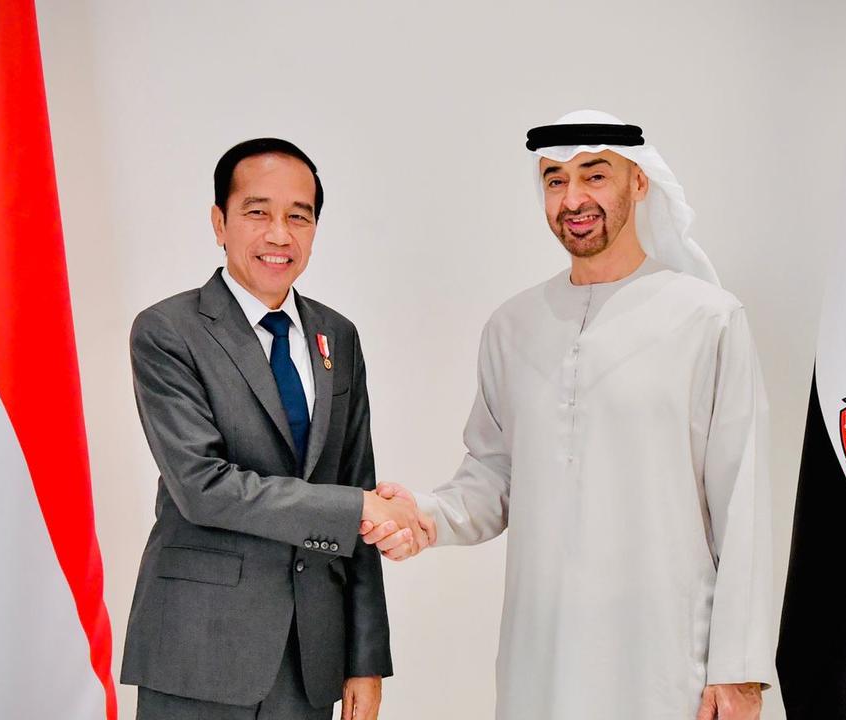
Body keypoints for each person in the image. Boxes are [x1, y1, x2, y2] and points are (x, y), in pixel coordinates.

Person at [364, 110, 773, 719]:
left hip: (665, 664)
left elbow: (743, 502)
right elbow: (495, 476)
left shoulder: (707, 319)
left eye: (594, 175)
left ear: (639, 182)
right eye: (555, 180)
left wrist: (738, 671)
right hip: (541, 659)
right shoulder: (512, 326)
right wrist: (424, 515)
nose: (573, 199)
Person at [120, 138, 428, 720]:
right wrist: (358, 507)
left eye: (298, 217)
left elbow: (356, 481)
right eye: (257, 212)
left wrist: (365, 659)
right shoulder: (168, 330)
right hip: (199, 649)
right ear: (220, 222)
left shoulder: (337, 336)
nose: (279, 234)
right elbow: (202, 486)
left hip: (311, 659)